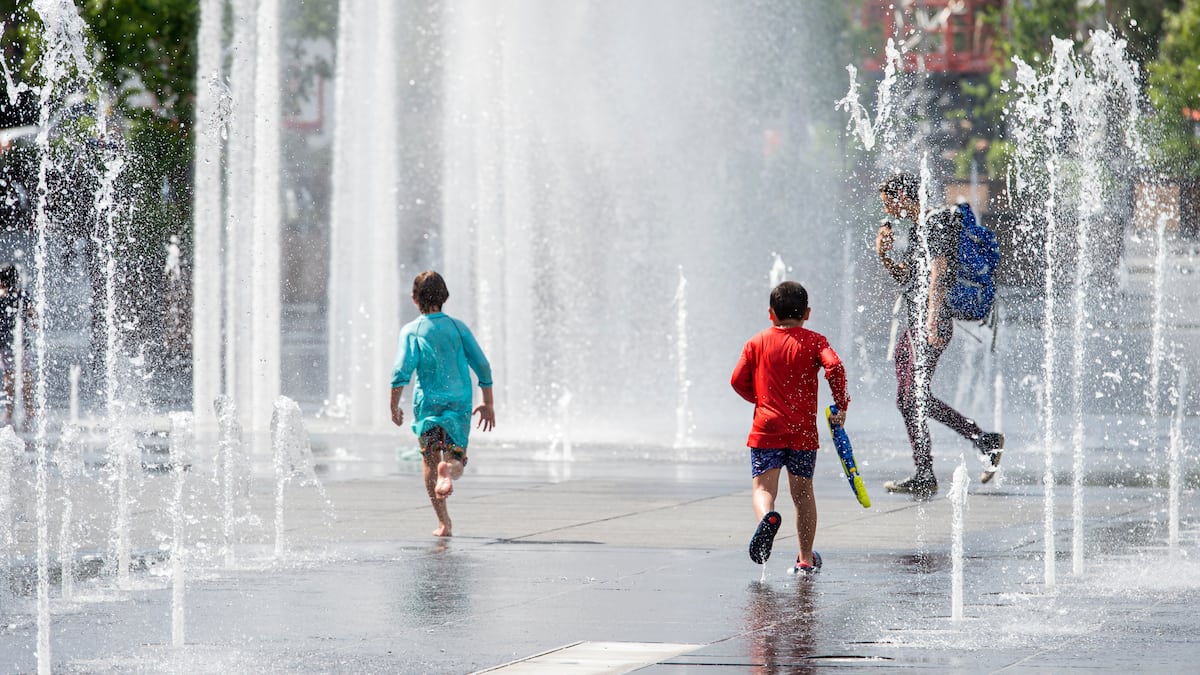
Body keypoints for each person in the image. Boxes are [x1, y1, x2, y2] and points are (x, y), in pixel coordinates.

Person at [874, 172, 1004, 498]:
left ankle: (931, 469)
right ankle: (975, 443)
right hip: (913, 322)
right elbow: (909, 278)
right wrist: (885, 256)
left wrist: (932, 319)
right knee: (908, 399)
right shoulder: (919, 230)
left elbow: (939, 272)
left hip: (930, 322)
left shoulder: (938, 222)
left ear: (904, 195)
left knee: (911, 398)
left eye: (890, 202)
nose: (889, 211)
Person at [731, 281, 850, 575]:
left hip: (766, 427)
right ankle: (806, 559)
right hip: (802, 431)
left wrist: (759, 399)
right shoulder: (815, 341)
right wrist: (841, 404)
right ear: (807, 313)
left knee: (762, 488)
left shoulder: (756, 342)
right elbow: (834, 366)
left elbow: (736, 381)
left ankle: (768, 518)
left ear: (771, 314)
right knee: (803, 494)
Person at [389, 271, 496, 537]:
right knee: (456, 455)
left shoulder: (411, 331)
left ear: (414, 299)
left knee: (429, 460)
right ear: (445, 296)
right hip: (459, 404)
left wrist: (393, 406)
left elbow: (401, 370)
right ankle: (450, 469)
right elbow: (482, 364)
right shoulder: (459, 328)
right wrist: (488, 403)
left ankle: (443, 522)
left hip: (427, 406)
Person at [0, 263, 33, 428]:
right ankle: (29, 409)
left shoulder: (0, 297)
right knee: (26, 375)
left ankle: (9, 410)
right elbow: (33, 315)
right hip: (22, 343)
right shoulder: (22, 295)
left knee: (8, 376)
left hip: (5, 344)